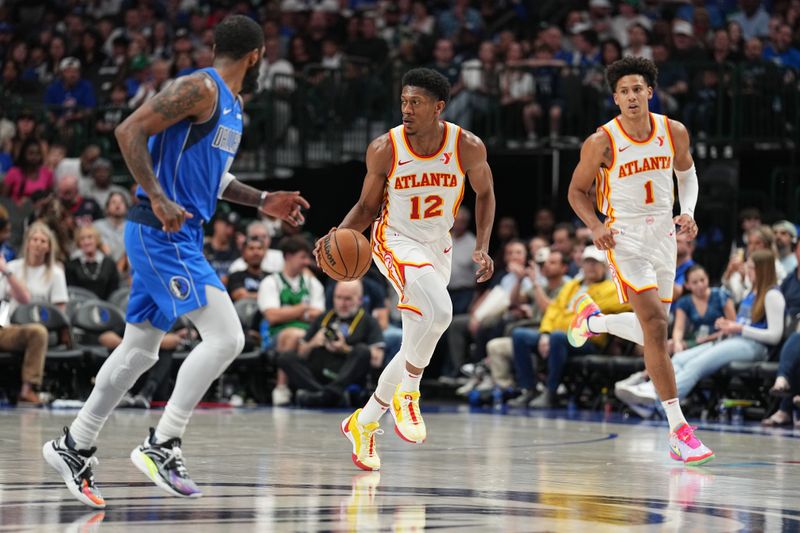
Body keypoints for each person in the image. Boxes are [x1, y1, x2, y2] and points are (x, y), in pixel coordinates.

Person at [42, 16, 310, 509]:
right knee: (227, 336)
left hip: (178, 232)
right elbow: (129, 131)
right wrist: (160, 197)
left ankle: (74, 445)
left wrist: (264, 198)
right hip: (160, 232)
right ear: (257, 55)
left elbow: (218, 180)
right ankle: (163, 443)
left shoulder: (234, 107)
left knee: (140, 351)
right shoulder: (198, 89)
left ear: (217, 46)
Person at [317, 68, 495, 471]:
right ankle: (409, 395)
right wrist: (338, 235)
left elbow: (485, 194)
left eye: (415, 102)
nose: (407, 109)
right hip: (393, 240)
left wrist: (482, 246)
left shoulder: (466, 146)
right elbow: (365, 207)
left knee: (418, 339)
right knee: (443, 313)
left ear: (438, 107)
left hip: (438, 245)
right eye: (403, 101)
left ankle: (363, 422)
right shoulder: (385, 148)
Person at [566, 56, 714, 465]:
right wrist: (595, 227)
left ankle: (592, 321)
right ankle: (678, 428)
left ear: (650, 92)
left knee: (655, 333)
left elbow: (687, 173)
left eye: (638, 89)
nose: (631, 97)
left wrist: (690, 210)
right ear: (615, 98)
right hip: (624, 237)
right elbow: (576, 193)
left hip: (663, 235)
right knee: (656, 326)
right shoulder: (602, 141)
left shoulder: (673, 131)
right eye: (624, 91)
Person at [278, 280, 384, 408]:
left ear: (360, 300)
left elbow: (377, 359)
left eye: (348, 299)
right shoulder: (323, 318)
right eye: (338, 298)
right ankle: (326, 394)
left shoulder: (369, 321)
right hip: (318, 371)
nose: (342, 303)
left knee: (362, 350)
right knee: (285, 357)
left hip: (345, 373)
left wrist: (345, 349)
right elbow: (301, 353)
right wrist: (313, 342)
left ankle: (325, 394)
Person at [65, 225, 120, 300]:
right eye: (82, 239)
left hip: (107, 308)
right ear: (78, 243)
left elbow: (114, 291)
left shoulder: (109, 263)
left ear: (97, 240)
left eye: (90, 237)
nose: (86, 242)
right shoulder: (71, 265)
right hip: (81, 308)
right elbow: (72, 293)